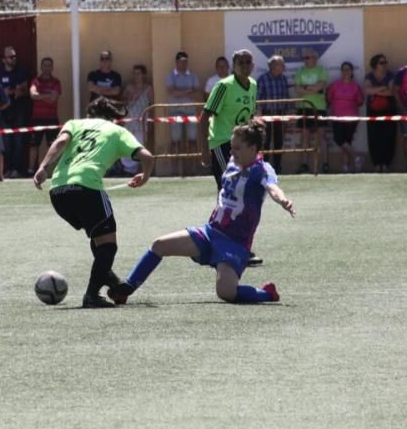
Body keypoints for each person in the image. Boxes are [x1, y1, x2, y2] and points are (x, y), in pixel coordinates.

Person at [109, 119, 295, 306]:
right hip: (210, 232)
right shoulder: (232, 161)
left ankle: (267, 294)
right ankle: (127, 288)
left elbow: (272, 188)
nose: (232, 152)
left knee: (226, 293)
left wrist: (283, 200)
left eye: (237, 148)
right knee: (159, 245)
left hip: (235, 243)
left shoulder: (262, 170)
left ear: (253, 148)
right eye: (231, 147)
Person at [33, 96, 155, 308]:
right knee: (108, 245)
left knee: (98, 236)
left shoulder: (75, 123)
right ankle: (91, 295)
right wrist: (144, 177)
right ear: (111, 117)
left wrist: (44, 167)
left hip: (58, 191)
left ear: (90, 114)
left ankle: (112, 281)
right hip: (87, 187)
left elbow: (61, 142)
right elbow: (148, 156)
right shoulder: (117, 131)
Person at [199, 48, 262, 268]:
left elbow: (249, 115)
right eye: (240, 62)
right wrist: (205, 149)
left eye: (248, 62)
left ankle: (215, 242)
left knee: (231, 194)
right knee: (233, 191)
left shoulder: (253, 85)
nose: (245, 66)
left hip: (242, 145)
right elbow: (204, 116)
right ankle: (227, 244)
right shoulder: (223, 86)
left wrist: (255, 127)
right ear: (233, 65)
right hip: (223, 144)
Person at [0, 46, 30, 177]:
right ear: (3, 59)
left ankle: (17, 169)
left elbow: (23, 89)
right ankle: (7, 169)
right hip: (3, 111)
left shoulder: (21, 71)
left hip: (19, 110)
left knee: (19, 140)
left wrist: (12, 91)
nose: (14, 59)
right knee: (6, 141)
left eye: (15, 56)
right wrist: (6, 92)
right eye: (10, 57)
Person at [165, 51, 200, 175]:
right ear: (176, 62)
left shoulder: (193, 76)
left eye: (186, 61)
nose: (184, 64)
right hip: (175, 110)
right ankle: (175, 170)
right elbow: (172, 92)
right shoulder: (170, 76)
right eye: (181, 61)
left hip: (190, 110)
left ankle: (194, 169)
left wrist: (180, 92)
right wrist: (189, 90)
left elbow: (197, 94)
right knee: (175, 141)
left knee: (192, 140)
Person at [293, 49, 328, 173]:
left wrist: (306, 88)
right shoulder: (300, 71)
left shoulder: (321, 70)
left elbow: (321, 85)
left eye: (308, 57)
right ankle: (304, 164)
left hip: (319, 107)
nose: (305, 60)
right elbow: (298, 89)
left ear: (315, 58)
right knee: (305, 137)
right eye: (304, 58)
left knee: (321, 137)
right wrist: (313, 89)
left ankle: (324, 163)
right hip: (304, 107)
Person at [326, 61, 364, 173]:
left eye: (348, 69)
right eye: (344, 69)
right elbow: (329, 98)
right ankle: (357, 157)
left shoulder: (356, 86)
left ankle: (345, 168)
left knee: (347, 142)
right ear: (341, 71)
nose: (346, 71)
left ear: (352, 71)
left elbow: (360, 101)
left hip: (351, 117)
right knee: (339, 140)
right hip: (337, 117)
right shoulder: (335, 85)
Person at [28, 57, 62, 176]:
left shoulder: (56, 82)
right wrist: (47, 95)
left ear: (52, 67)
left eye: (49, 65)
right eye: (44, 65)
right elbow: (32, 95)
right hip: (37, 118)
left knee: (52, 145)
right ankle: (31, 169)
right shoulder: (36, 81)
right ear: (41, 67)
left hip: (52, 118)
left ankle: (50, 170)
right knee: (33, 144)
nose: (46, 68)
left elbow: (54, 99)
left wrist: (40, 96)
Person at [257, 55, 290, 174]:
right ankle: (264, 169)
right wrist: (259, 117)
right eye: (281, 64)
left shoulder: (283, 79)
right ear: (272, 66)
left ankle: (277, 168)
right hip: (266, 115)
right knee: (265, 142)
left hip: (280, 115)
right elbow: (258, 100)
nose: (283, 66)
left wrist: (286, 117)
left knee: (279, 142)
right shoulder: (262, 79)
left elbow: (286, 98)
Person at [364, 54, 396, 172]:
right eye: (381, 63)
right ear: (375, 65)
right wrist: (382, 88)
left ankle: (386, 164)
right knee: (374, 137)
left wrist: (375, 91)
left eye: (385, 62)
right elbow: (367, 90)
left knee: (388, 137)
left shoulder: (391, 75)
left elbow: (391, 92)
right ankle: (377, 164)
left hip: (389, 109)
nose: (384, 65)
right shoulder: (369, 76)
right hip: (373, 110)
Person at [121, 64, 153, 175]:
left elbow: (151, 104)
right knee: (127, 144)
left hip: (141, 123)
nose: (136, 76)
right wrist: (129, 97)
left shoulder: (148, 89)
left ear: (143, 75)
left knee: (139, 146)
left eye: (138, 73)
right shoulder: (129, 88)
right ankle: (127, 169)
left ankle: (138, 169)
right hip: (129, 121)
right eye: (134, 73)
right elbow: (122, 102)